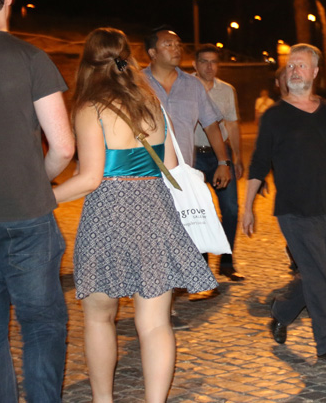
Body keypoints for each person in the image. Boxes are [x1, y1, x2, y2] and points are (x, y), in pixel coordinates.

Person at [53, 28, 217, 402]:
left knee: (98, 318)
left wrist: (43, 198)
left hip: (109, 216)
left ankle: (103, 400)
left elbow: (91, 178)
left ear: (88, 64)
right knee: (156, 323)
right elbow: (171, 166)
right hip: (155, 213)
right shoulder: (152, 105)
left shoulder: (90, 108)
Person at [0, 0, 74, 402]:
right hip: (26, 217)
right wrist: (38, 181)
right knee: (42, 323)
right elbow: (64, 148)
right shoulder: (31, 58)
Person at [242, 44, 326, 363]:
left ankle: (282, 310)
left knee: (315, 273)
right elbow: (259, 163)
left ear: (315, 72)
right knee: (320, 280)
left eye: (301, 65)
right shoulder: (274, 116)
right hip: (293, 211)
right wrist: (247, 207)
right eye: (290, 66)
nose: (294, 70)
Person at [143, 28, 231, 305]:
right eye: (168, 44)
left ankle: (184, 282)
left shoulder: (193, 87)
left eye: (178, 43)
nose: (176, 48)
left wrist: (223, 162)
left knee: (188, 227)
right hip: (146, 174)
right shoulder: (136, 83)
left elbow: (212, 125)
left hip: (183, 174)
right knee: (155, 235)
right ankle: (159, 296)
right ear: (152, 53)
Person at [192, 45, 244, 282]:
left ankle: (226, 260)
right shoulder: (185, 87)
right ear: (195, 64)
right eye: (204, 61)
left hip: (220, 157)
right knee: (199, 212)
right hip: (193, 157)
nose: (209, 67)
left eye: (213, 62)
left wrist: (238, 157)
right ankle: (200, 264)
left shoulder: (227, 90)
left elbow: (232, 124)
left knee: (231, 209)